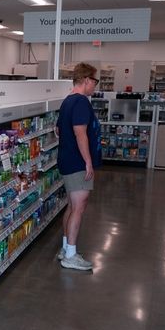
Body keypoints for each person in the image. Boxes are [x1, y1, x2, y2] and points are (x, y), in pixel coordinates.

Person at [55, 62, 102, 271]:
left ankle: (66, 249)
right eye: (95, 81)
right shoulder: (82, 102)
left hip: (66, 159)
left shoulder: (67, 101)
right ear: (86, 80)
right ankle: (71, 255)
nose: (95, 85)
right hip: (77, 163)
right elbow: (80, 132)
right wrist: (88, 161)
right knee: (79, 208)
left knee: (72, 206)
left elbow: (58, 130)